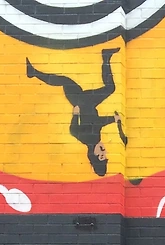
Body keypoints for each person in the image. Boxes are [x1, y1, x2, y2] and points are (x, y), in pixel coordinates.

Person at [26, 48, 128, 177]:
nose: (105, 152)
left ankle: (106, 57)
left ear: (95, 155)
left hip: (85, 102)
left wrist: (76, 115)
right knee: (66, 81)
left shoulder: (91, 139)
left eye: (102, 155)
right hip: (85, 102)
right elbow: (87, 126)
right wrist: (112, 119)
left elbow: (88, 125)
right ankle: (34, 73)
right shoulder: (90, 140)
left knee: (108, 88)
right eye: (105, 155)